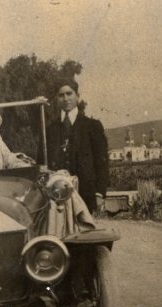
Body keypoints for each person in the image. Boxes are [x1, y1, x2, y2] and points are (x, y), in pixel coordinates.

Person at [39, 80, 109, 213]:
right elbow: (41, 164)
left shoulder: (92, 126)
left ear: (77, 96)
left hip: (86, 194)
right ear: (57, 99)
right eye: (61, 95)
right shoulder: (49, 130)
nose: (65, 98)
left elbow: (102, 162)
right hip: (56, 196)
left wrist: (100, 193)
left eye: (69, 93)